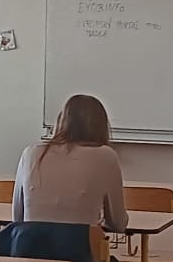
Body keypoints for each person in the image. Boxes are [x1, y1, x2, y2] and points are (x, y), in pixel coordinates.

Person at [12, 93, 127, 232]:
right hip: (78, 245)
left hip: (29, 243)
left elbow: (17, 218)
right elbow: (118, 224)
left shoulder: (30, 153)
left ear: (62, 120)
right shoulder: (106, 156)